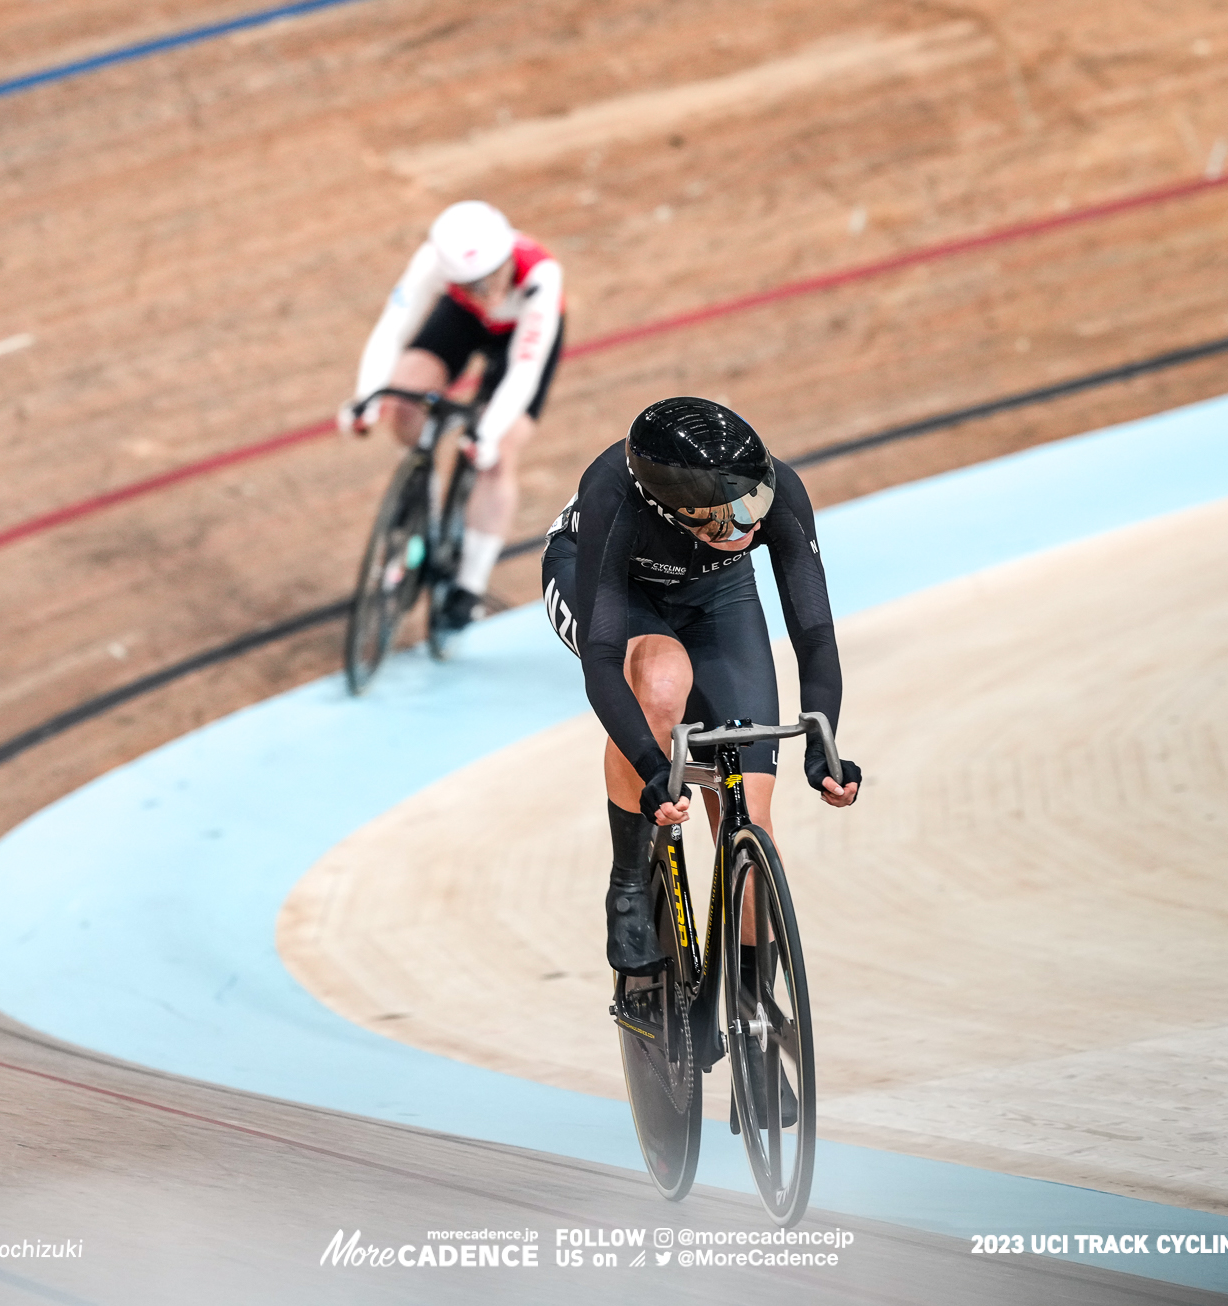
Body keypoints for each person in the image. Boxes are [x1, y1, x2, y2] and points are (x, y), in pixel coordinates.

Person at [540, 396, 862, 977]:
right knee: (662, 682)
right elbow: (603, 660)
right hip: (612, 587)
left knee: (749, 822)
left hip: (715, 592)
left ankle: (747, 1002)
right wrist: (649, 763)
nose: (747, 525)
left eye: (752, 506)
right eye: (722, 519)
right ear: (670, 511)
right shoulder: (613, 493)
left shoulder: (775, 492)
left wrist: (823, 743)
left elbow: (814, 634)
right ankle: (629, 883)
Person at [340, 200, 566, 632]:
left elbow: (525, 370)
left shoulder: (541, 275)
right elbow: (391, 331)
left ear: (508, 258)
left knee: (498, 452)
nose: (486, 293)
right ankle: (424, 492)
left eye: (491, 279)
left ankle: (469, 584)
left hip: (521, 339)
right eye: (471, 284)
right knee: (405, 400)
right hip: (462, 321)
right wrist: (367, 399)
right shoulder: (433, 262)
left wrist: (487, 433)